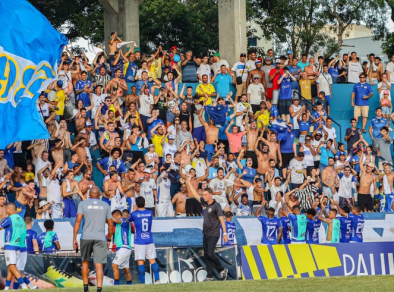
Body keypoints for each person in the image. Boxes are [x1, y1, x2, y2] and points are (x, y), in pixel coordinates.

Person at [186, 179, 228, 281]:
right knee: (206, 255)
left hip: (214, 233)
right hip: (205, 233)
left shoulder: (216, 206)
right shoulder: (205, 204)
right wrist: (188, 183)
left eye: (205, 194)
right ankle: (209, 276)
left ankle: (222, 269)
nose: (203, 196)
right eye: (203, 194)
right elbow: (195, 195)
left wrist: (225, 233)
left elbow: (222, 220)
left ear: (210, 195)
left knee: (210, 253)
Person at [73, 187, 113, 292]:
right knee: (99, 265)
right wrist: (109, 239)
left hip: (86, 237)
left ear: (89, 194)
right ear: (99, 194)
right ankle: (99, 289)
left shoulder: (83, 204)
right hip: (100, 237)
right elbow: (110, 224)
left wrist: (74, 238)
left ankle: (86, 288)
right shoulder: (105, 205)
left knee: (85, 262)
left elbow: (78, 221)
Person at [128, 197, 160, 284]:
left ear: (136, 204)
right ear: (145, 203)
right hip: (149, 240)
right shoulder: (150, 213)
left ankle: (143, 282)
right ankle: (157, 280)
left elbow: (127, 220)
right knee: (152, 260)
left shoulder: (134, 214)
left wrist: (134, 210)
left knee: (140, 262)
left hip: (139, 241)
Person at [0, 202, 29, 290]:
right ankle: (7, 288)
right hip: (19, 245)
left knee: (12, 267)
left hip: (10, 244)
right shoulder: (20, 218)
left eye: (5, 209)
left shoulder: (9, 219)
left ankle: (24, 286)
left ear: (9, 209)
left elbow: (0, 227)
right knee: (10, 268)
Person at [111, 210, 133, 285]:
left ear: (118, 215)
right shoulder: (119, 224)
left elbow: (112, 219)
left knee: (114, 265)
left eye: (114, 216)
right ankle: (130, 285)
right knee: (126, 270)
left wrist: (105, 212)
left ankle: (116, 285)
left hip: (123, 248)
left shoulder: (124, 221)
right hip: (125, 248)